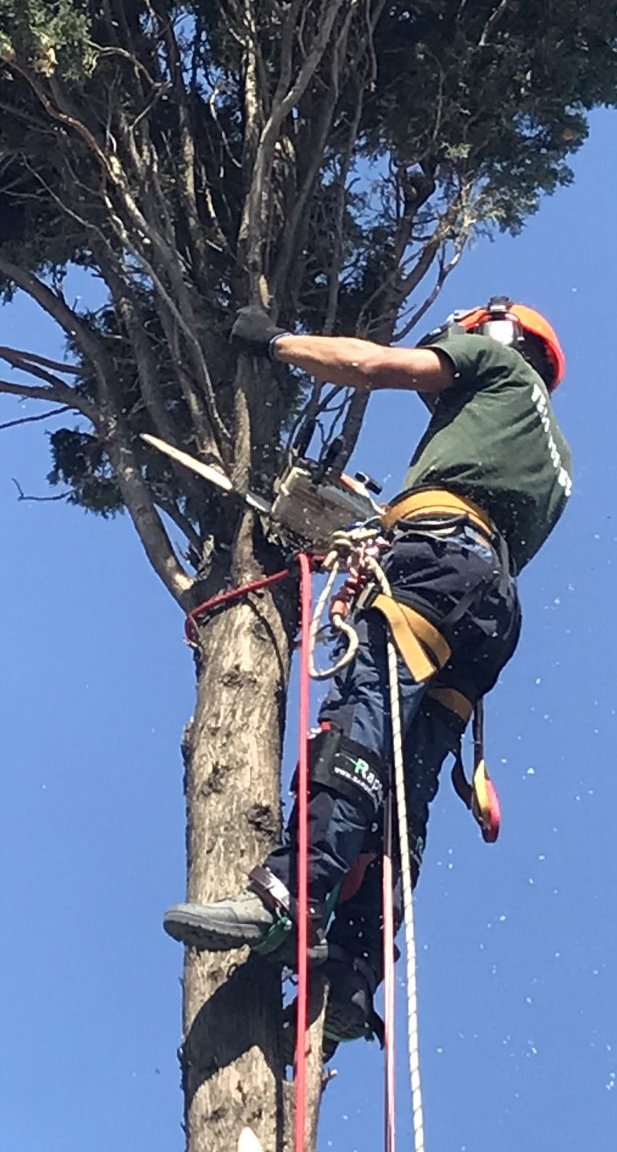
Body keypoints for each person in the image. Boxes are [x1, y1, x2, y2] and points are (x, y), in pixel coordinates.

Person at [163, 297, 573, 1046]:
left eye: (465, 332)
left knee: (360, 728)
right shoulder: (553, 458)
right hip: (488, 610)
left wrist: (277, 341)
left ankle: (288, 898)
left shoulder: (497, 368)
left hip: (436, 563)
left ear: (503, 338)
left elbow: (375, 366)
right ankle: (352, 966)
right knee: (406, 792)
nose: (449, 341)